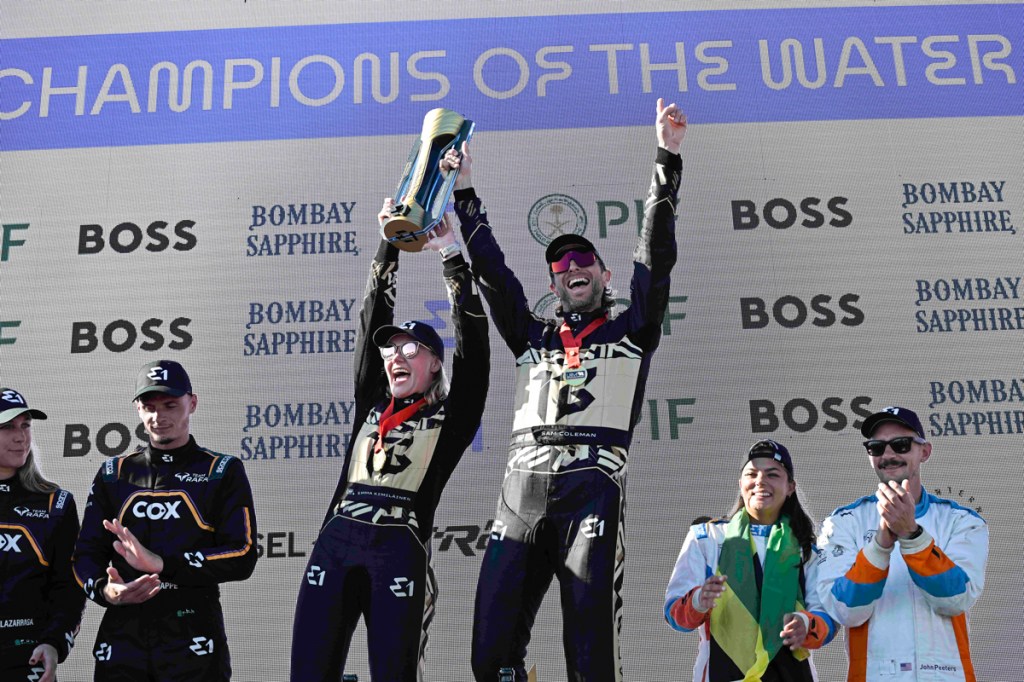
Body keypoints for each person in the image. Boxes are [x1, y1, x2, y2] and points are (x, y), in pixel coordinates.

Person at [442, 98, 687, 681]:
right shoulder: (532, 335)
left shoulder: (633, 328)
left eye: (585, 259)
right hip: (519, 491)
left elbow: (655, 257)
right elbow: (495, 276)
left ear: (604, 274)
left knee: (589, 653)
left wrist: (667, 156)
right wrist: (464, 189)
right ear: (553, 283)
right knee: (490, 658)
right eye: (559, 264)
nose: (571, 265)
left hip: (591, 489)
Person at [289, 205, 489, 681]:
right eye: (390, 350)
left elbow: (476, 354)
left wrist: (450, 256)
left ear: (435, 364)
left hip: (398, 547)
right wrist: (389, 243)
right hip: (336, 542)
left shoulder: (450, 418)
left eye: (410, 349)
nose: (395, 356)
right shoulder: (370, 403)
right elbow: (371, 318)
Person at [72, 361, 258, 681]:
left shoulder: (221, 470)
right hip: (123, 635)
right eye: (149, 407)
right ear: (137, 409)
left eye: (171, 405)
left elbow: (243, 554)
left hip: (193, 633)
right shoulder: (113, 474)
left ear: (192, 403)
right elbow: (85, 555)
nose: (159, 417)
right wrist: (106, 590)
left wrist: (162, 564)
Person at [815, 406, 988, 681]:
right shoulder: (842, 523)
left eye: (901, 444)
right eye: (877, 447)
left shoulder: (962, 521)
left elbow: (956, 599)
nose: (889, 454)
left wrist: (913, 536)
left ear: (925, 451)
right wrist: (880, 545)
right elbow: (845, 610)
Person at [664, 439, 837, 681]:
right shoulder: (706, 539)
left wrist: (806, 624)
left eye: (772, 474)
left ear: (790, 487)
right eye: (751, 474)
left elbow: (828, 617)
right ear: (741, 483)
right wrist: (698, 601)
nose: (760, 482)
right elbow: (675, 616)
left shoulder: (807, 549)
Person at [1, 388, 85, 682]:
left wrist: (54, 642)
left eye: (25, 425)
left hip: (26, 656)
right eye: (7, 427)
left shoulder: (56, 504)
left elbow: (69, 588)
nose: (20, 436)